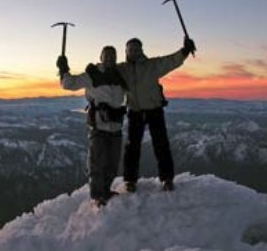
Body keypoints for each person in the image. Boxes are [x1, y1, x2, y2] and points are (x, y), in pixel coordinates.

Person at [116, 37, 196, 192]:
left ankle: (167, 179)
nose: (134, 52)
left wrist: (184, 51)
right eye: (131, 49)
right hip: (135, 111)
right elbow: (105, 70)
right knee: (132, 147)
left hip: (154, 110)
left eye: (137, 49)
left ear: (141, 50)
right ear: (126, 52)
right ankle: (130, 181)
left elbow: (171, 61)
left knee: (161, 145)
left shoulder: (152, 65)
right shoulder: (121, 69)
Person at [56, 46, 127, 207]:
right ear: (101, 57)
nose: (110, 58)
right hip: (99, 126)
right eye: (107, 56)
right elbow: (69, 84)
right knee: (97, 163)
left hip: (116, 126)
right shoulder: (92, 74)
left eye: (113, 56)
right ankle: (98, 196)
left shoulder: (120, 75)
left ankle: (106, 191)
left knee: (112, 163)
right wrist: (63, 69)